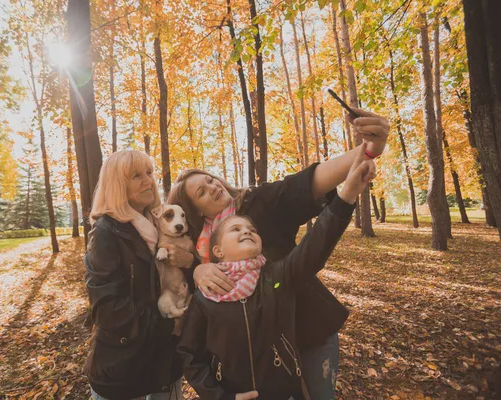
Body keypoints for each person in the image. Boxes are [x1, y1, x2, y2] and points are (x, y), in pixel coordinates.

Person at [167, 109, 389, 399]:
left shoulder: (258, 202)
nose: (213, 186)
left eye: (210, 179)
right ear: (195, 212)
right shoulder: (197, 246)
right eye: (201, 192)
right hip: (254, 357)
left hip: (307, 332)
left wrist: (368, 151)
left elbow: (307, 184)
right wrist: (197, 269)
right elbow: (185, 298)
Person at [84, 150, 189, 400]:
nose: (148, 181)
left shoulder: (161, 225)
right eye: (136, 176)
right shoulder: (106, 232)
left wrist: (193, 262)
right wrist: (168, 326)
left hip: (164, 363)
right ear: (118, 185)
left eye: (150, 173)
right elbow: (108, 308)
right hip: (123, 367)